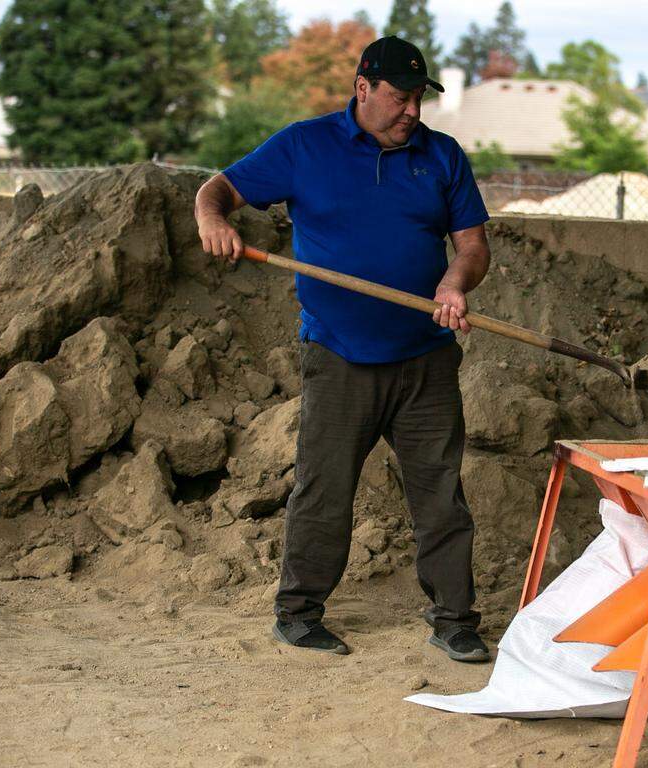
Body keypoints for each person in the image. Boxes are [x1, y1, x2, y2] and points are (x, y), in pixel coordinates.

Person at [193, 36, 492, 663]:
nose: (412, 110)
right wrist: (213, 221)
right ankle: (298, 613)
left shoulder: (442, 156)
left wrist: (452, 283)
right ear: (363, 89)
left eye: (418, 99)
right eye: (399, 97)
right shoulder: (304, 145)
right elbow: (216, 190)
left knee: (440, 494)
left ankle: (455, 620)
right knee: (324, 489)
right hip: (339, 355)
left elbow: (471, 245)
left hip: (424, 356)